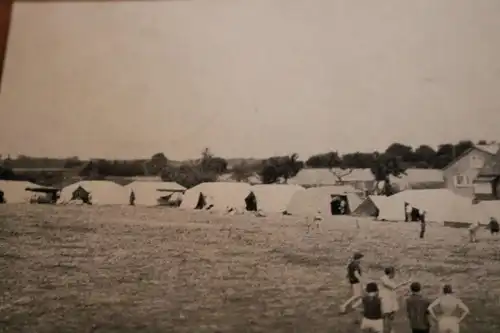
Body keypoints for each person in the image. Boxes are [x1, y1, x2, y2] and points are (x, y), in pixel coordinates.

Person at [379, 266, 411, 333]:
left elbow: (394, 288)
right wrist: (404, 283)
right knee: (387, 315)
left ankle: (389, 329)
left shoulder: (389, 279)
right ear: (391, 273)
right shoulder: (384, 279)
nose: (394, 275)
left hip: (390, 299)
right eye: (394, 273)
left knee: (391, 315)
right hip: (386, 299)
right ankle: (387, 330)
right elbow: (392, 287)